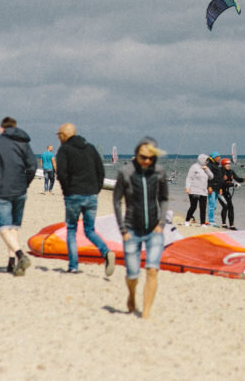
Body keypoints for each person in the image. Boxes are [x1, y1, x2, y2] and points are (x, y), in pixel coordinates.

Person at [112, 137, 170, 318]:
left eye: (151, 158)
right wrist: (123, 230)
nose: (147, 161)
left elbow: (164, 198)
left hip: (154, 230)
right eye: (143, 157)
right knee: (133, 275)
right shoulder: (125, 172)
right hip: (131, 230)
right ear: (136, 154)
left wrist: (161, 223)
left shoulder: (159, 172)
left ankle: (145, 313)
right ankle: (131, 294)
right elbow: (116, 201)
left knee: (152, 270)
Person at [0, 116, 37, 276]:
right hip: (20, 189)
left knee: (4, 228)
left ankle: (20, 255)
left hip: (2, 189)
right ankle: (12, 263)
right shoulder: (23, 142)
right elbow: (32, 166)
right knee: (14, 227)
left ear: (1, 128)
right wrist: (25, 183)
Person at [55, 123, 114, 275]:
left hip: (74, 194)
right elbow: (100, 171)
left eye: (59, 135)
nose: (58, 138)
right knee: (89, 230)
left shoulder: (64, 150)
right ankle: (106, 251)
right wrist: (96, 190)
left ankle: (73, 266)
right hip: (91, 195)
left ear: (64, 135)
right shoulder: (90, 148)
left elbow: (61, 173)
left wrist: (67, 191)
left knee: (71, 229)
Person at [184, 153, 212, 226]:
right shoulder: (194, 167)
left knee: (203, 208)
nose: (206, 162)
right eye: (205, 160)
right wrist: (187, 187)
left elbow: (211, 177)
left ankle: (202, 223)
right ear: (201, 160)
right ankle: (187, 220)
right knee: (193, 206)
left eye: (207, 160)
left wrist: (206, 170)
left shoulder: (206, 168)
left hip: (203, 191)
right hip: (194, 190)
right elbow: (189, 178)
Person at [218, 157, 245, 230]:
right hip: (220, 192)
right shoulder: (220, 171)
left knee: (231, 207)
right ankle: (224, 224)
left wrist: (243, 179)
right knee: (225, 206)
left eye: (229, 164)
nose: (228, 165)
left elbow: (237, 178)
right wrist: (233, 184)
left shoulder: (231, 171)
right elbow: (222, 183)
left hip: (227, 192)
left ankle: (231, 225)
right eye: (226, 164)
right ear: (223, 165)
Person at [206, 152, 223, 226]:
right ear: (214, 157)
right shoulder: (209, 165)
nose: (219, 158)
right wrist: (209, 186)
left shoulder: (216, 165)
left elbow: (219, 178)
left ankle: (212, 220)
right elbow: (208, 176)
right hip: (212, 187)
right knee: (211, 204)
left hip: (217, 188)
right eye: (218, 157)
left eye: (219, 157)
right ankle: (211, 221)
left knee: (214, 205)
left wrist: (220, 188)